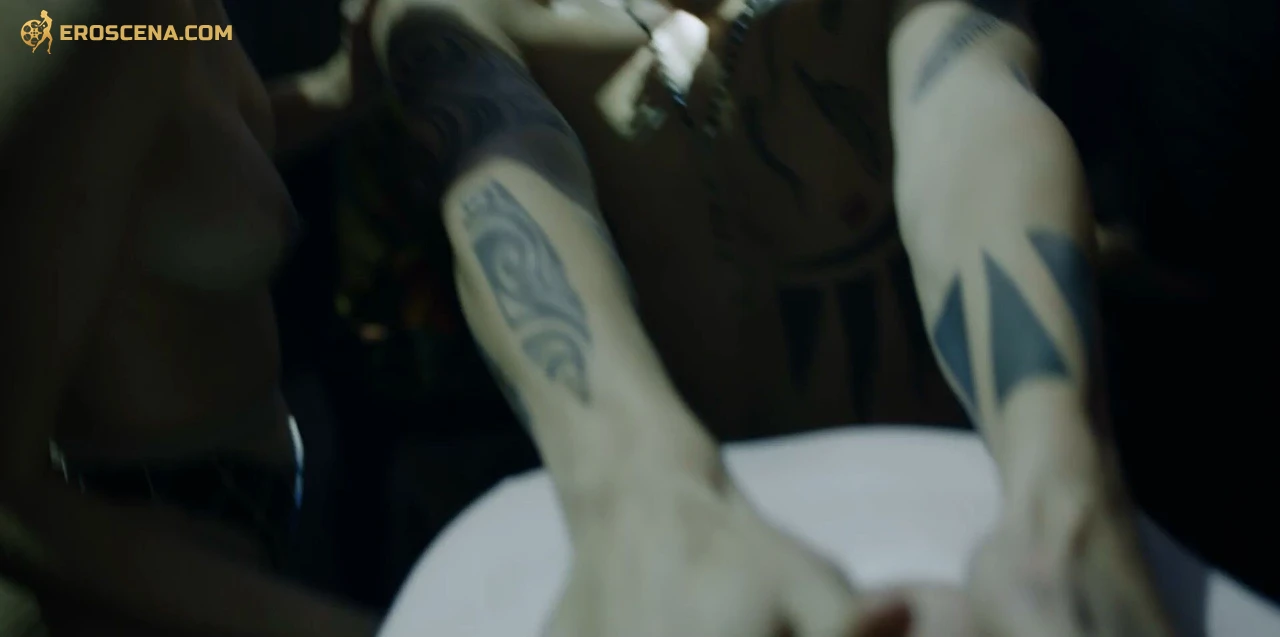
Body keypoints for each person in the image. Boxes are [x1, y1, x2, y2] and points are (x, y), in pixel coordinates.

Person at [364, 0, 1177, 634]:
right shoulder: (456, 14)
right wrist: (644, 503)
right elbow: (501, 188)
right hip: (685, 550)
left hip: (962, 504)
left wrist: (1062, 493)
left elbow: (971, 110)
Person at [0, 0, 384, 634]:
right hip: (130, 575)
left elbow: (169, 158)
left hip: (239, 519)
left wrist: (337, 90)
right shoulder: (72, 20)